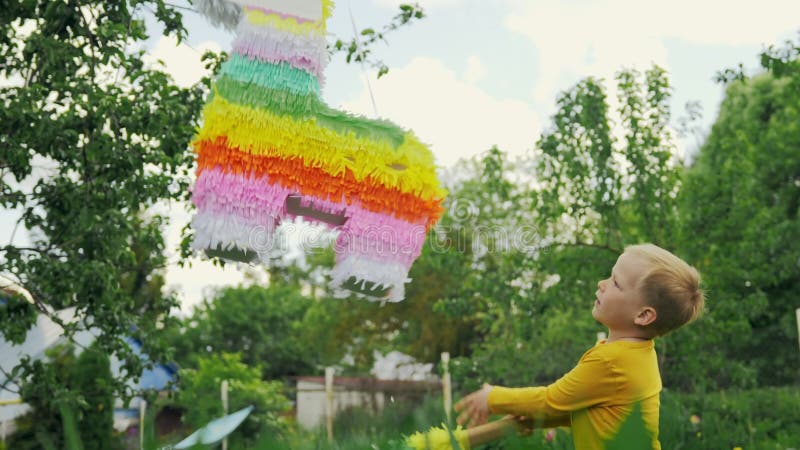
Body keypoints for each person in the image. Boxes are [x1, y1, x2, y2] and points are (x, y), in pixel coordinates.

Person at [454, 244, 706, 450]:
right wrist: (535, 419)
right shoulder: (638, 354)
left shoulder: (611, 362)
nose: (602, 283)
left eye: (616, 283)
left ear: (643, 315)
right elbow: (587, 410)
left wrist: (493, 398)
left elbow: (550, 400)